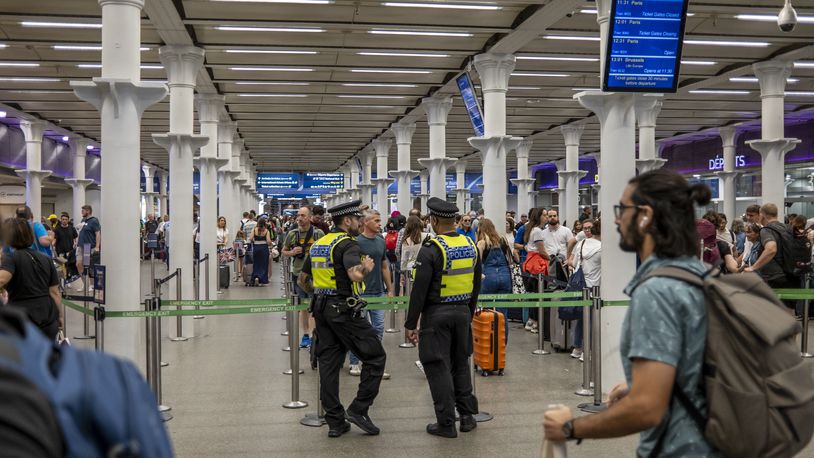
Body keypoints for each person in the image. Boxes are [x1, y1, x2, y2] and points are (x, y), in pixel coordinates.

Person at [544, 169, 718, 457]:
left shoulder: (657, 291)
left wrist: (571, 428)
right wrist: (645, 381)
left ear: (645, 215)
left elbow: (646, 409)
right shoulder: (699, 274)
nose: (615, 219)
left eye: (621, 209)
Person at [298, 200, 385, 438]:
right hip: (344, 311)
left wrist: (321, 290)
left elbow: (302, 280)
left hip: (322, 310)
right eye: (357, 219)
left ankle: (335, 421)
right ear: (347, 221)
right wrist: (366, 267)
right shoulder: (348, 244)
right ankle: (359, 409)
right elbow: (354, 274)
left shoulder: (318, 244)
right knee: (376, 356)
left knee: (329, 364)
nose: (359, 223)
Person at [404, 197, 482, 438]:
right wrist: (468, 312)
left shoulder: (431, 249)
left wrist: (410, 323)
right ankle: (467, 417)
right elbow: (476, 283)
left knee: (438, 367)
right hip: (462, 313)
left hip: (436, 316)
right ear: (455, 220)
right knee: (460, 364)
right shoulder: (470, 245)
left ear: (435, 220)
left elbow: (419, 290)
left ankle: (446, 423)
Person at [348, 209, 394, 378]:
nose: (379, 224)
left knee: (379, 328)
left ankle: (375, 362)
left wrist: (389, 289)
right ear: (366, 222)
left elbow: (384, 266)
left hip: (378, 292)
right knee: (360, 329)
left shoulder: (380, 241)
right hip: (361, 294)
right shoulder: (355, 243)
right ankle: (354, 361)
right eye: (376, 220)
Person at [0, 218, 63, 340]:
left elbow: (2, 280)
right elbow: (54, 293)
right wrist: (60, 316)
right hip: (48, 318)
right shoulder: (46, 258)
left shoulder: (11, 258)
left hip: (23, 318)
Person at [282, 206, 324, 348]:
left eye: (303, 215)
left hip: (315, 275)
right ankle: (306, 335)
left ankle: (314, 334)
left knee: (315, 307)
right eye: (298, 215)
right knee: (302, 307)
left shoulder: (318, 234)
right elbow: (283, 251)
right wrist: (292, 252)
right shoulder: (292, 234)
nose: (299, 218)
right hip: (298, 275)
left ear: (310, 217)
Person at [566, 218, 601, 361]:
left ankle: (577, 348)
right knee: (593, 319)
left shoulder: (581, 244)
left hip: (579, 286)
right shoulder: (602, 247)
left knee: (581, 318)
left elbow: (573, 263)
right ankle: (588, 350)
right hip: (595, 287)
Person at [744, 204, 797, 296]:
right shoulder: (788, 228)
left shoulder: (766, 230)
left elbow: (771, 249)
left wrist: (753, 267)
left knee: (771, 308)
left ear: (762, 215)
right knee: (789, 309)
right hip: (791, 274)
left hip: (774, 277)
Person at [476, 218, 512, 340]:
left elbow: (477, 262)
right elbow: (510, 259)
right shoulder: (502, 240)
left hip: (488, 277)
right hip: (505, 276)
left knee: (487, 311)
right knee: (503, 313)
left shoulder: (482, 242)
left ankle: (489, 340)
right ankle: (502, 342)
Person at [75, 205, 100, 286]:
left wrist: (97, 246)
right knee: (78, 264)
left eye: (83, 210)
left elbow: (98, 234)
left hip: (88, 247)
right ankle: (86, 284)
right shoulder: (83, 220)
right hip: (80, 246)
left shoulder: (94, 221)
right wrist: (76, 242)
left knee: (88, 266)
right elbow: (81, 232)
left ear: (88, 211)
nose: (82, 212)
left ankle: (92, 285)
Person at [53, 213, 78, 279]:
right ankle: (61, 279)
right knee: (61, 265)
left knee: (68, 265)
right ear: (61, 220)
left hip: (69, 250)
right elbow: (54, 239)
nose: (64, 220)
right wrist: (52, 246)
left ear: (68, 220)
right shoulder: (57, 229)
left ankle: (68, 278)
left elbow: (75, 238)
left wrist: (75, 244)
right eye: (63, 219)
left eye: (66, 219)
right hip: (60, 250)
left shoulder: (72, 228)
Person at [249, 217, 273, 286]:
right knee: (264, 264)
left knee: (256, 263)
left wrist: (254, 241)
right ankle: (262, 279)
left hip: (256, 248)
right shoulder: (266, 231)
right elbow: (268, 241)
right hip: (264, 248)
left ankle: (255, 277)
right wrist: (271, 244)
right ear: (265, 224)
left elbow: (250, 238)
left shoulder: (254, 229)